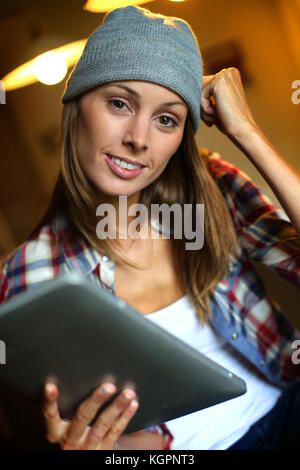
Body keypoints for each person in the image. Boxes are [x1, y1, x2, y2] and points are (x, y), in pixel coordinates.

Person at [0, 5, 300, 451]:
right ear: (76, 105)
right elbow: (117, 434)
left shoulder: (211, 187)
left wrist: (247, 132)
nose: (139, 138)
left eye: (167, 119)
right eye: (119, 103)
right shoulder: (29, 274)